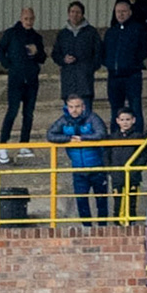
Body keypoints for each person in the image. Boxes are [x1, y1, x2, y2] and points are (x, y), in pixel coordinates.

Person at [46, 95, 109, 224]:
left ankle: (103, 228)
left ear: (83, 107)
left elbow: (101, 133)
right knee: (81, 200)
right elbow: (50, 135)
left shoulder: (92, 118)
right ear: (66, 107)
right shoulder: (64, 120)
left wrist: (82, 138)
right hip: (78, 169)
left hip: (98, 167)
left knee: (102, 200)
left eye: (77, 106)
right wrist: (68, 139)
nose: (74, 110)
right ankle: (87, 228)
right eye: (71, 107)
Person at [0, 7, 45, 165]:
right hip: (16, 79)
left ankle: (24, 144)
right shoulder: (11, 34)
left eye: (31, 19)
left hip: (31, 80)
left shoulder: (37, 37)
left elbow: (43, 58)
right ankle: (3, 144)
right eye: (26, 19)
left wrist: (37, 52)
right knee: (12, 110)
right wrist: (9, 65)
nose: (29, 22)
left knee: (28, 113)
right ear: (21, 18)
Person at [101, 0, 147, 125]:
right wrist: (109, 64)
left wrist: (133, 62)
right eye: (118, 12)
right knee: (115, 110)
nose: (120, 14)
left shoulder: (138, 29)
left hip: (132, 75)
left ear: (130, 12)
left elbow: (145, 49)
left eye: (123, 11)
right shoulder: (111, 32)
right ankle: (115, 140)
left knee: (135, 108)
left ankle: (137, 139)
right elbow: (104, 51)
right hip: (114, 76)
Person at [51, 1, 99, 109]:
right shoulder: (62, 34)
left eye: (78, 12)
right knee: (69, 117)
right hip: (68, 82)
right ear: (68, 14)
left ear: (82, 14)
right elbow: (55, 54)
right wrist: (63, 60)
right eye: (72, 12)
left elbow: (98, 53)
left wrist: (89, 68)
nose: (75, 15)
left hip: (85, 82)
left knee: (86, 116)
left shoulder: (91, 32)